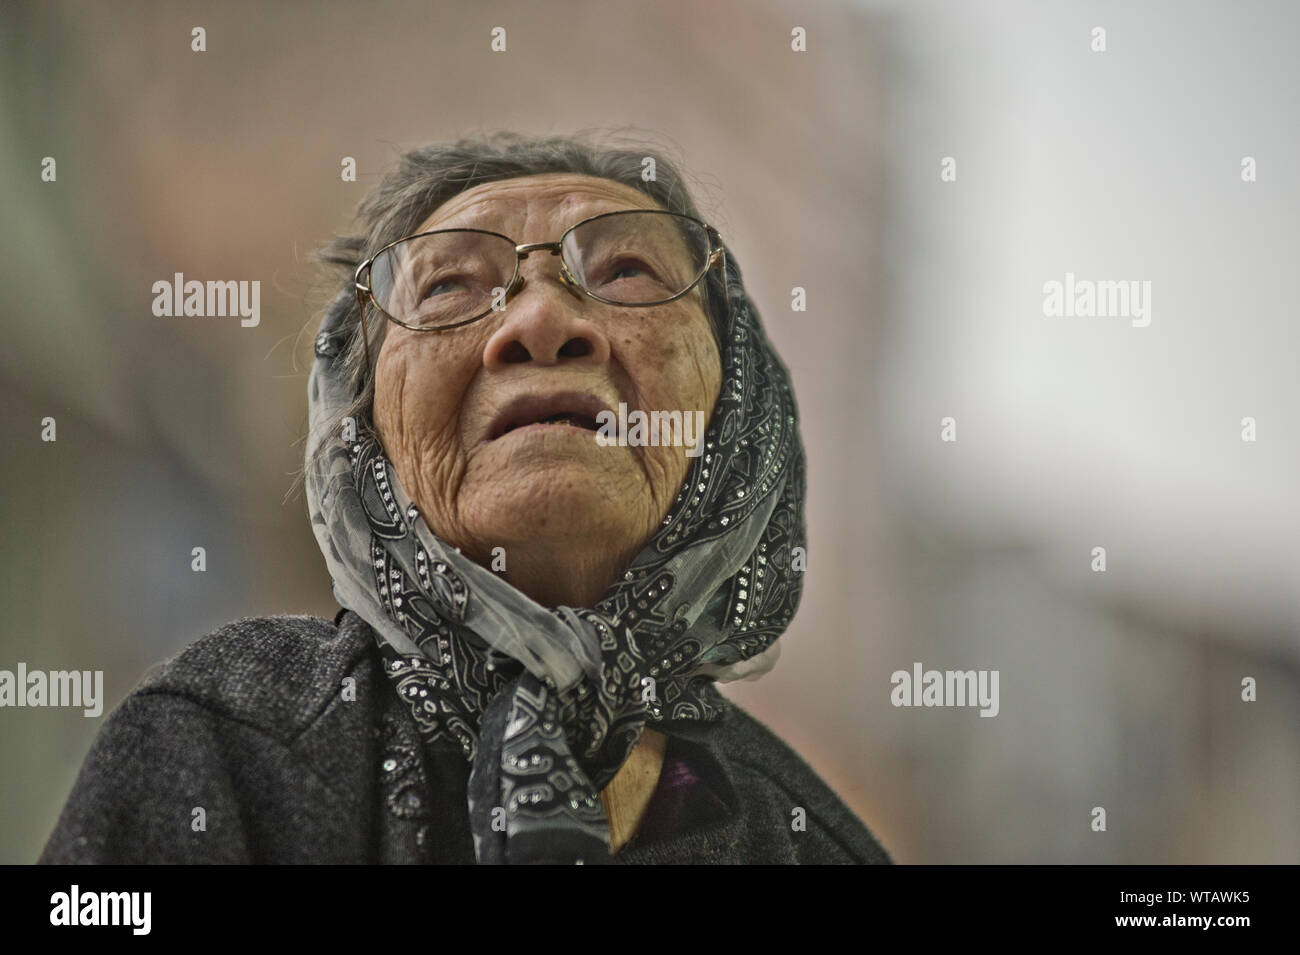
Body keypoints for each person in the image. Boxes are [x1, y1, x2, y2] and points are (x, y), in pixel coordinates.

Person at [39, 132, 892, 865]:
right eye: (448, 285)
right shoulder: (225, 744)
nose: (540, 322)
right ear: (361, 427)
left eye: (628, 270)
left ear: (739, 409)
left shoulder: (813, 842)